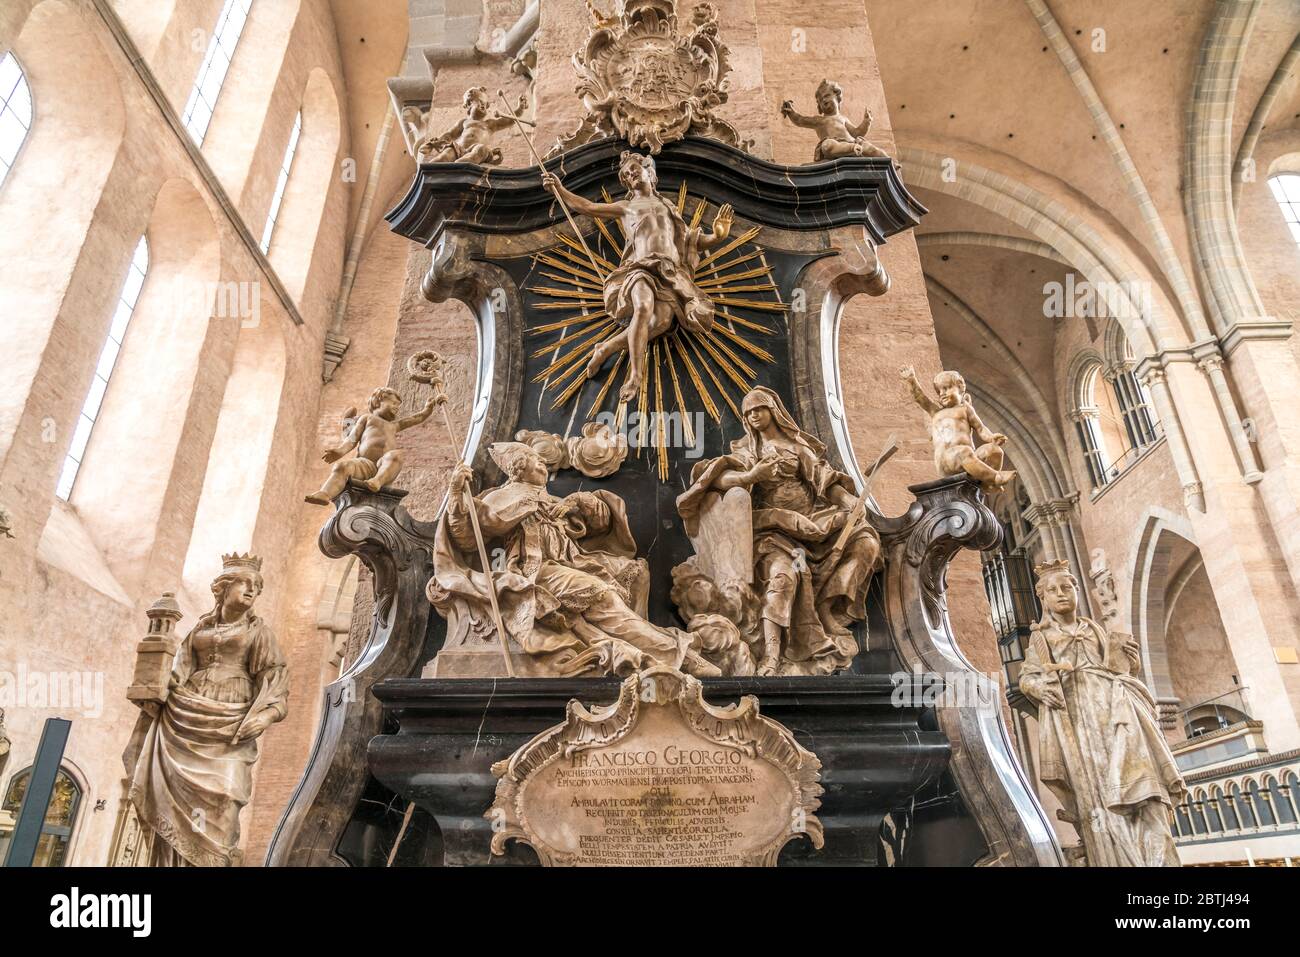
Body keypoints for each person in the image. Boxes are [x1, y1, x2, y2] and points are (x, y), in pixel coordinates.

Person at [428, 442, 735, 677]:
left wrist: (576, 503)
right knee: (603, 597)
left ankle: (647, 638)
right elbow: (467, 535)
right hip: (540, 570)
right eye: (537, 461)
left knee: (635, 571)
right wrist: (457, 494)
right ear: (520, 468)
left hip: (574, 560)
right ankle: (676, 654)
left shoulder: (547, 497)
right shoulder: (505, 496)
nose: (544, 465)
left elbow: (600, 519)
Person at [677, 387, 881, 675]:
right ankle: (772, 656)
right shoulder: (749, 452)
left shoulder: (798, 448)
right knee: (785, 577)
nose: (753, 416)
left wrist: (850, 501)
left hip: (813, 523)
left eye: (759, 409)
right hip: (774, 532)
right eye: (748, 413)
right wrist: (751, 475)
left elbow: (824, 480)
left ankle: (828, 608)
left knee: (866, 543)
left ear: (773, 410)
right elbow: (718, 478)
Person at [124, 554, 288, 866]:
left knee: (226, 798)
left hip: (230, 724)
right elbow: (179, 667)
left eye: (257, 587)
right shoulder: (199, 628)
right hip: (182, 717)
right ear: (223, 589)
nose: (252, 591)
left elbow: (276, 676)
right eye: (245, 584)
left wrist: (266, 714)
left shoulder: (259, 633)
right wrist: (160, 685)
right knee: (170, 800)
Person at [1018, 560, 1185, 867]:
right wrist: (1039, 689)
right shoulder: (1042, 638)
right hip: (1079, 721)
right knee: (1097, 793)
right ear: (1042, 598)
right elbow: (1027, 677)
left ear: (1077, 590)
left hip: (1114, 711)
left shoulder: (1097, 629)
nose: (1061, 594)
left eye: (1067, 587)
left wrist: (1129, 665)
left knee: (1143, 785)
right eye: (1052, 590)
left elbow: (1115, 669)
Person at [540, 151, 734, 401]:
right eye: (626, 174)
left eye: (635, 169)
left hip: (670, 273)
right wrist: (559, 189)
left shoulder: (668, 207)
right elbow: (586, 207)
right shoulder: (626, 207)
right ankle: (635, 375)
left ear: (650, 172)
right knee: (643, 307)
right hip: (641, 267)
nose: (631, 175)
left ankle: (606, 347)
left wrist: (719, 235)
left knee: (662, 322)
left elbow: (690, 242)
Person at [305, 386, 435, 505]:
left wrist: (427, 409)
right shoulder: (367, 419)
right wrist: (339, 452)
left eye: (398, 405)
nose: (397, 407)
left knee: (396, 455)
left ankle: (378, 480)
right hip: (365, 464)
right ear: (378, 401)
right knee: (342, 466)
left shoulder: (395, 425)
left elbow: (414, 419)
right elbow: (352, 439)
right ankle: (325, 493)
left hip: (384, 467)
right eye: (394, 403)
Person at [900, 365, 1016, 490]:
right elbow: (920, 397)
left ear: (961, 390)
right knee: (964, 451)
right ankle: (995, 478)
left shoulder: (966, 410)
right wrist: (911, 380)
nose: (942, 393)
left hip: (968, 459)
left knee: (995, 451)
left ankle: (987, 485)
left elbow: (981, 429)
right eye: (939, 391)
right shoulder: (936, 412)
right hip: (947, 461)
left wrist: (992, 438)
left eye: (947, 388)